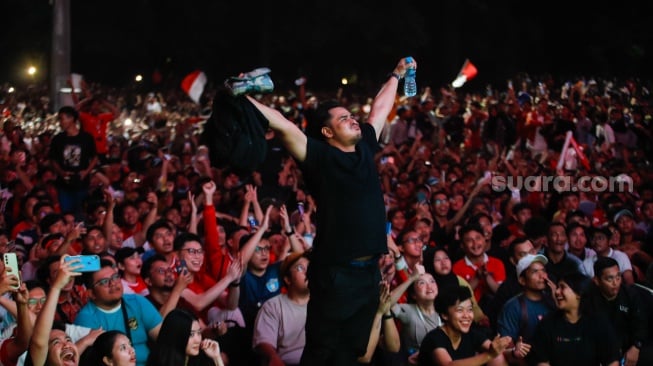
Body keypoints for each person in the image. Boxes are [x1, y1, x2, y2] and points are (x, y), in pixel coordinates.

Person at [245, 57, 415, 365]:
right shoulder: (317, 155)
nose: (353, 120)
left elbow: (378, 110)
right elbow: (282, 124)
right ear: (326, 132)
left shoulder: (364, 147)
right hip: (336, 272)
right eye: (343, 119)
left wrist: (396, 75)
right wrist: (242, 95)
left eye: (352, 116)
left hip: (368, 273)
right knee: (323, 354)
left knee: (355, 353)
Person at [74, 260, 162, 366]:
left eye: (115, 277)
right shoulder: (86, 319)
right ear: (91, 293)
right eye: (104, 282)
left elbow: (164, 338)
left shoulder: (137, 301)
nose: (113, 283)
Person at [530, 271, 621, 366]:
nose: (556, 292)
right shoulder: (547, 324)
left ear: (579, 293)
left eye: (562, 287)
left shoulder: (598, 323)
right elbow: (542, 362)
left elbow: (612, 361)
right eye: (557, 287)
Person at [417, 285, 511, 365]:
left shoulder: (472, 334)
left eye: (470, 310)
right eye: (460, 310)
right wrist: (489, 355)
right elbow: (449, 365)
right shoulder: (434, 338)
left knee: (497, 358)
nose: (467, 315)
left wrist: (514, 352)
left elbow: (496, 350)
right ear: (444, 315)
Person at [585, 257, 650, 366]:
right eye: (609, 279)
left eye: (618, 277)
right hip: (602, 352)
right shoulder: (588, 300)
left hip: (630, 347)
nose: (615, 283)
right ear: (596, 281)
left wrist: (636, 347)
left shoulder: (631, 294)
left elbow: (641, 324)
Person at [496, 253, 555, 365]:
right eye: (534, 272)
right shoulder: (513, 307)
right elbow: (506, 347)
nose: (542, 276)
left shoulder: (553, 301)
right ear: (522, 280)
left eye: (543, 270)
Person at [252, 251, 310, 366]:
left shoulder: (324, 303)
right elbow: (264, 343)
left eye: (309, 268)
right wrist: (273, 357)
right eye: (300, 268)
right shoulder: (273, 305)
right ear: (287, 280)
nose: (307, 272)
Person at [49, 106, 98, 218]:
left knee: (80, 214)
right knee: (66, 215)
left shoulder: (86, 138)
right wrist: (61, 173)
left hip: (81, 184)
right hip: (64, 185)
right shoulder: (58, 139)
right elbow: (53, 160)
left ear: (72, 119)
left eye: (62, 118)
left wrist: (86, 172)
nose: (60, 122)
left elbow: (95, 158)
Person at [146, 308, 225, 366]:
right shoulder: (159, 362)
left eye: (199, 332)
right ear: (176, 336)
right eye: (191, 334)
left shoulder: (198, 359)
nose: (198, 340)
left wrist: (216, 357)